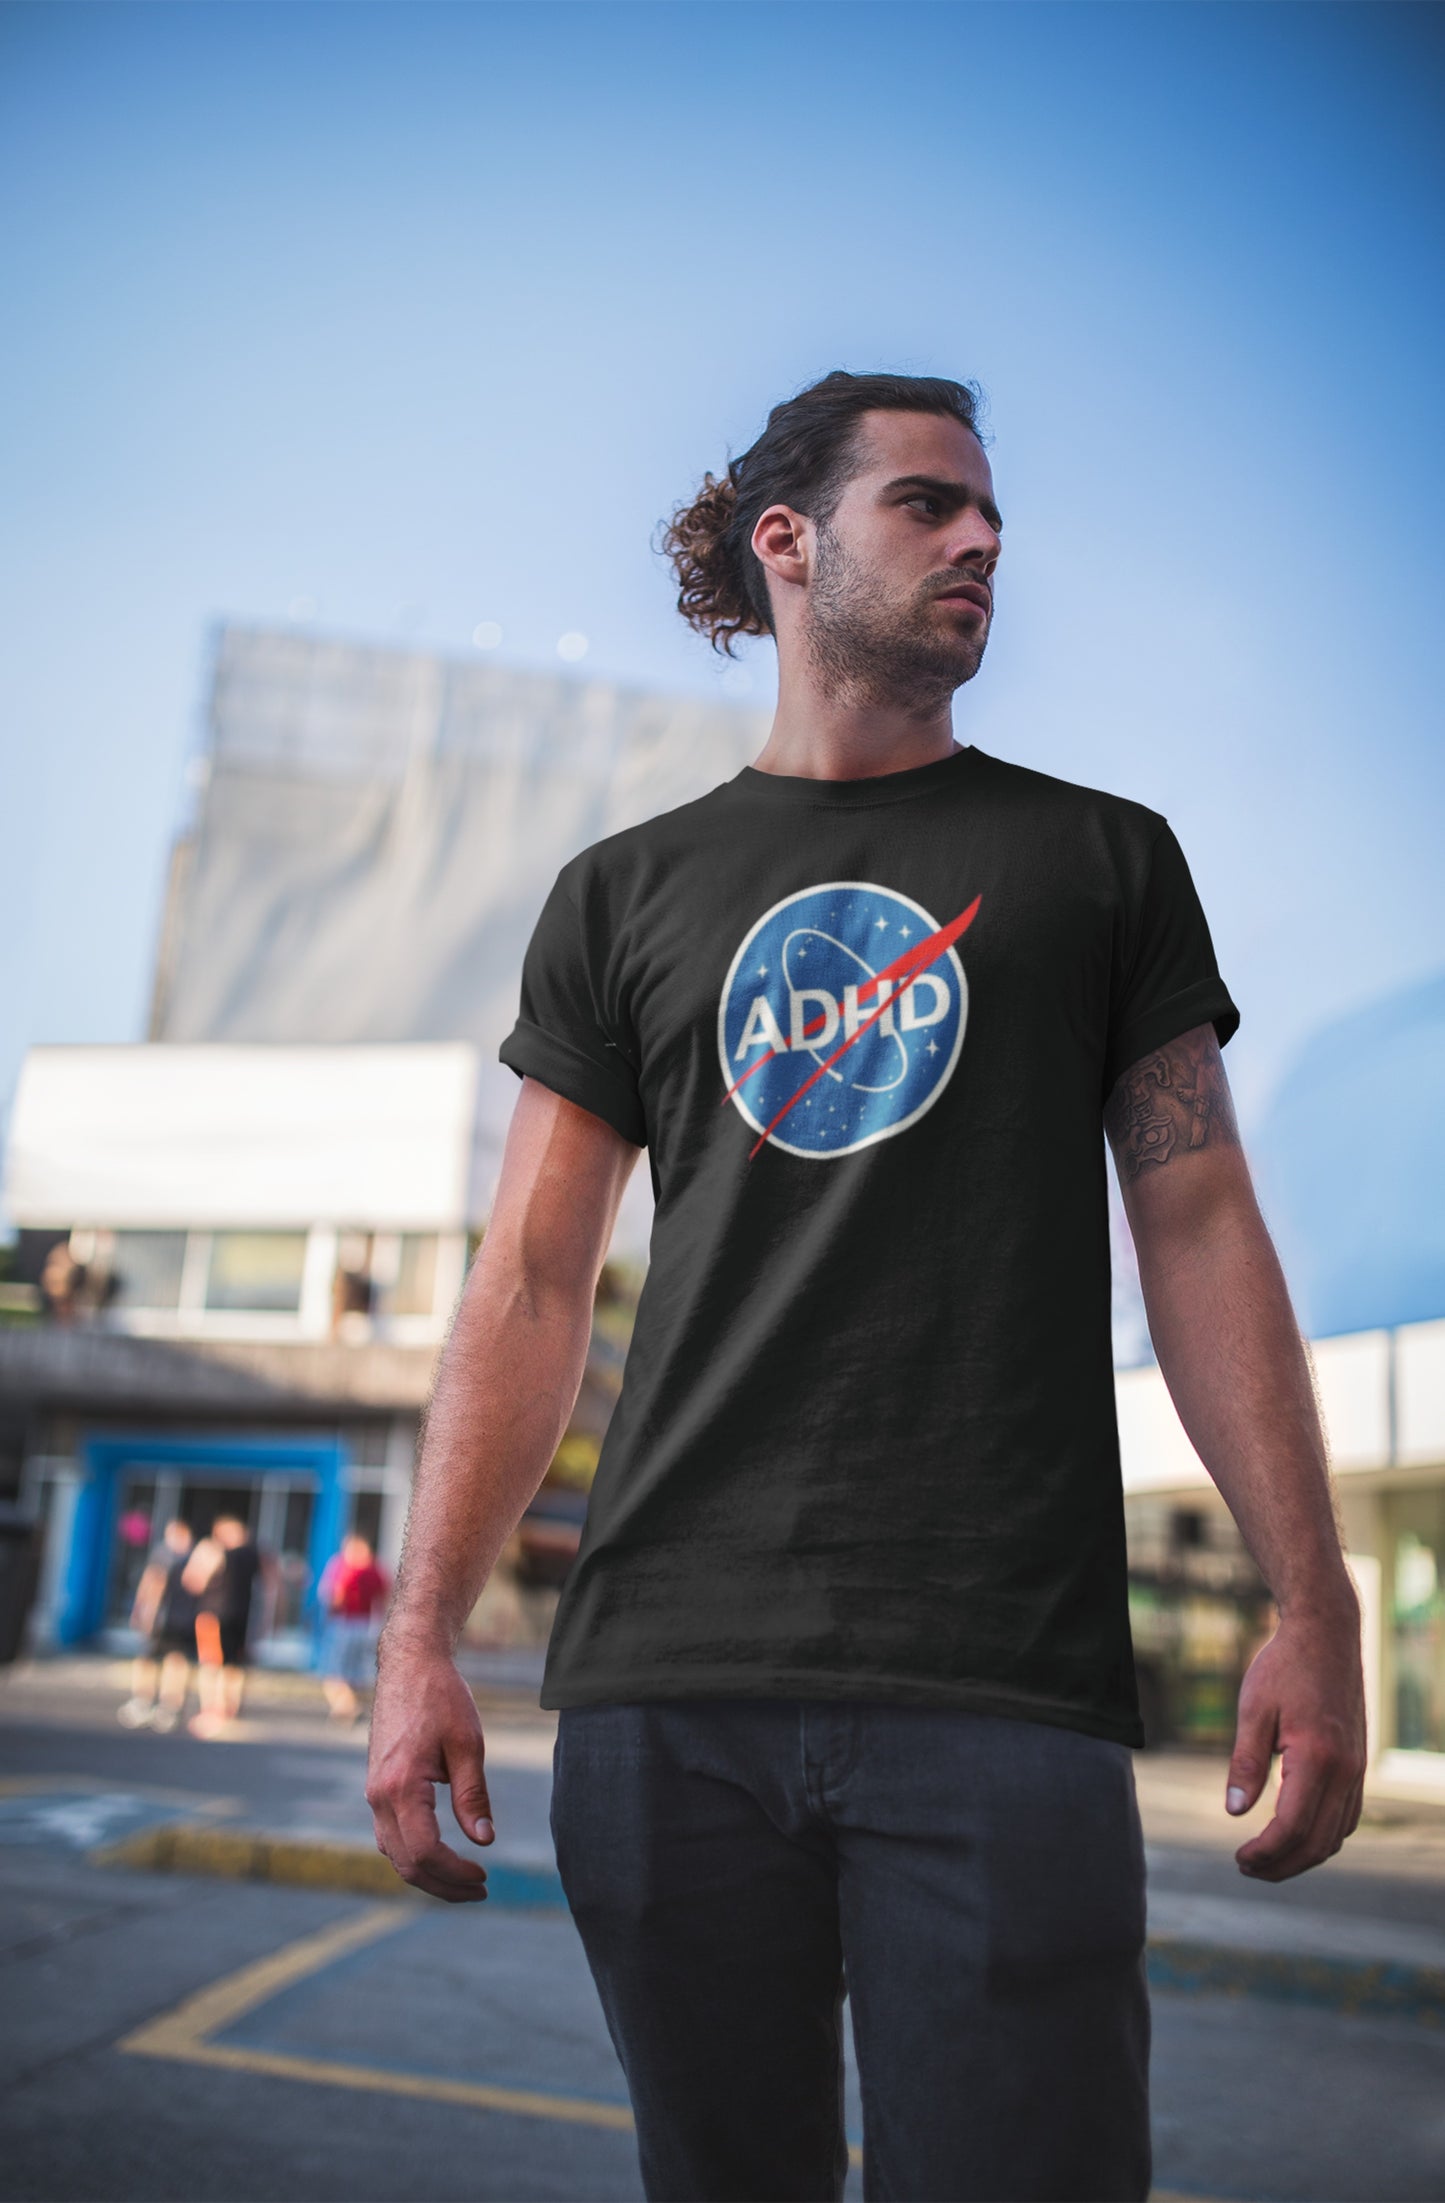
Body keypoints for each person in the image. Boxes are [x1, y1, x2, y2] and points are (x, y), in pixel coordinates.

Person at [366, 371, 1367, 2202]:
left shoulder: (1099, 862)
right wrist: (419, 1625)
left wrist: (1315, 1596)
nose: (982, 539)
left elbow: (1203, 1225)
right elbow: (529, 1279)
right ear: (789, 542)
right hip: (668, 1686)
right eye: (928, 504)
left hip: (1000, 1678)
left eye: (992, 517)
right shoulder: (624, 893)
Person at [117, 1518, 198, 1732]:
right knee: (165, 1661)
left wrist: (146, 1614)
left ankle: (155, 1704)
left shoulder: (168, 1558)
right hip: (178, 1619)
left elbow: (152, 1586)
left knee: (162, 1661)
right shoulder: (192, 1559)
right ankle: (161, 1705)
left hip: (169, 1620)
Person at [187, 1514, 262, 1737]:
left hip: (215, 1615)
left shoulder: (214, 1551)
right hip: (240, 1615)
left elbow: (194, 1581)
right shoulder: (253, 1554)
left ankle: (214, 1710)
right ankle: (229, 1709)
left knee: (213, 1665)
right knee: (232, 1665)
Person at [317, 1533, 390, 1723]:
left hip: (345, 1622)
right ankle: (348, 1707)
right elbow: (384, 1596)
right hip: (365, 1624)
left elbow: (336, 1595)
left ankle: (347, 1706)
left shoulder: (345, 1568)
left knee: (333, 1670)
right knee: (355, 1670)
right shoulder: (376, 1569)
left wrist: (329, 1614)